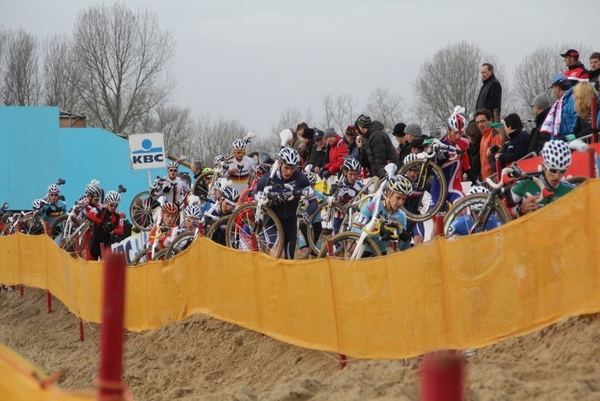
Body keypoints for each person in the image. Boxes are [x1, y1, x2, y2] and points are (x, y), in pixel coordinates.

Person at [256, 148, 318, 259]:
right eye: (286, 168)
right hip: (271, 223)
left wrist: (308, 214)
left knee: (288, 262)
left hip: (290, 224)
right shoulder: (266, 180)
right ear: (279, 163)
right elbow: (256, 207)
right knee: (280, 256)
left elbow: (313, 201)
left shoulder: (301, 178)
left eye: (292, 168)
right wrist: (273, 200)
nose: (289, 172)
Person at [510, 140, 576, 217]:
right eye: (553, 170)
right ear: (543, 166)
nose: (557, 176)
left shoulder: (571, 190)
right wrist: (519, 210)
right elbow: (499, 215)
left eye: (562, 171)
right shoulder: (525, 185)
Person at [351, 175, 412, 257]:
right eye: (398, 198)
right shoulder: (371, 207)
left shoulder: (401, 216)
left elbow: (402, 248)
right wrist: (377, 234)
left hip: (381, 254)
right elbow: (354, 230)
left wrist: (406, 240)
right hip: (362, 252)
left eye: (404, 199)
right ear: (389, 194)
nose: (401, 202)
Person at [354, 114, 399, 178]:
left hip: (387, 172)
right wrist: (361, 147)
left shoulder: (376, 136)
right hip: (377, 173)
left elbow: (380, 159)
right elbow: (365, 162)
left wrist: (382, 176)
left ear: (361, 127)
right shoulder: (367, 137)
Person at [86, 190, 124, 261]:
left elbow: (121, 231)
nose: (113, 207)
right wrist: (102, 222)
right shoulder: (100, 208)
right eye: (111, 205)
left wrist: (112, 231)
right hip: (94, 242)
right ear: (106, 202)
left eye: (116, 206)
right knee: (90, 267)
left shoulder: (118, 215)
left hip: (106, 243)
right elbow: (89, 214)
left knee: (107, 265)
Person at [539, 74, 577, 140]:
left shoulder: (572, 100)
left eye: (553, 88)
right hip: (563, 141)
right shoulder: (559, 103)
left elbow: (576, 119)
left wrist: (570, 136)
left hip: (571, 142)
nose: (553, 92)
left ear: (557, 88)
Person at [332, 157, 364, 234]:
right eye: (351, 174)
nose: (353, 177)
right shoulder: (339, 185)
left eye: (355, 174)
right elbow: (332, 203)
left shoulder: (361, 186)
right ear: (345, 172)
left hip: (354, 217)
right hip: (340, 216)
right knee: (337, 240)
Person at [402, 154, 426, 247]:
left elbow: (437, 192)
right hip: (402, 218)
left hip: (416, 217)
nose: (412, 173)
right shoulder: (400, 181)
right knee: (403, 248)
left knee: (419, 242)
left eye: (415, 170)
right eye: (410, 170)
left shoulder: (422, 182)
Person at [475, 109, 503, 180]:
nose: (480, 124)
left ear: (490, 120)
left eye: (482, 121)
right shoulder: (483, 137)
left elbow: (499, 154)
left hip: (494, 177)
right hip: (485, 178)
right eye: (478, 122)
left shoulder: (495, 133)